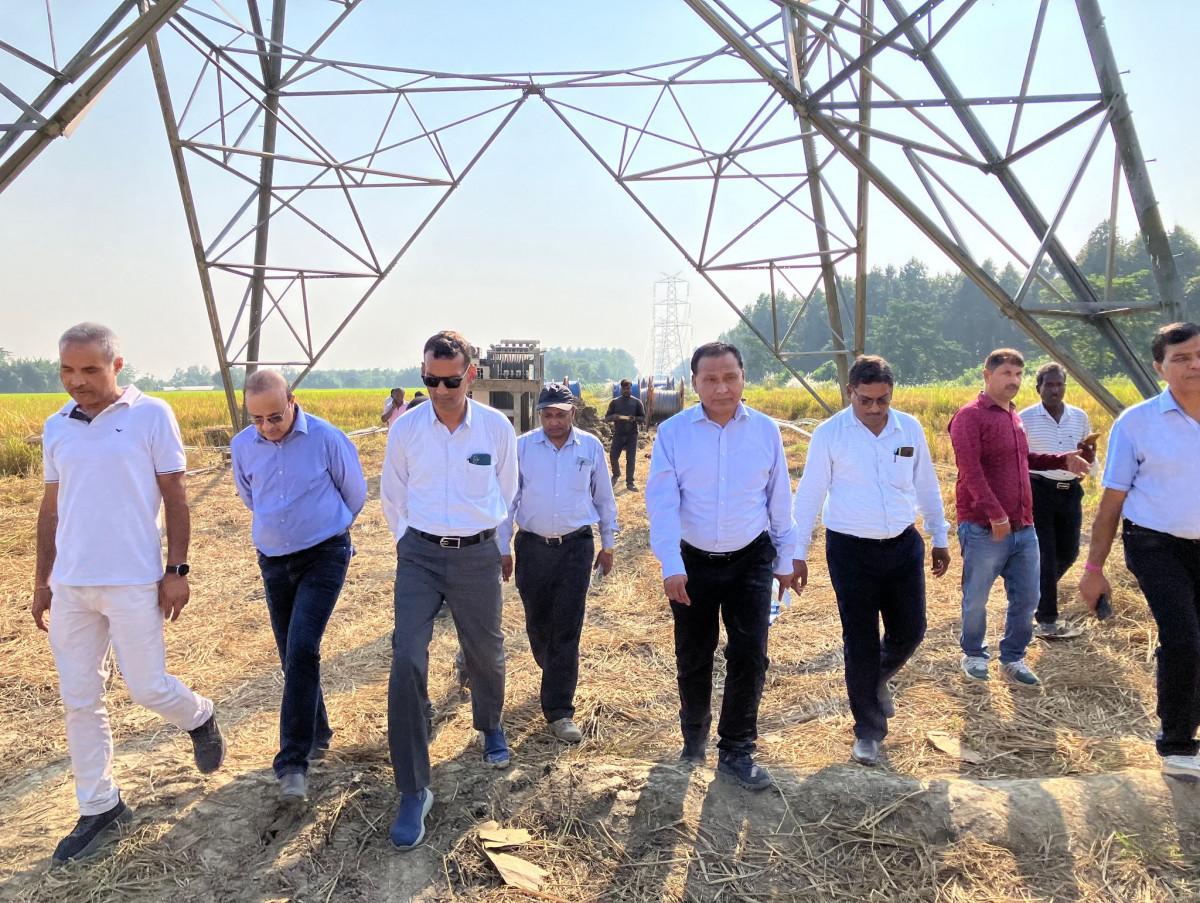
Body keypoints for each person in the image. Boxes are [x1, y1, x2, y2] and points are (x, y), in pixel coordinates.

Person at [33, 323, 225, 868]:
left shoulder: (151, 415)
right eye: (67, 371)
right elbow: (51, 510)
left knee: (147, 688)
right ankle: (101, 805)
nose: (77, 382)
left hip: (135, 580)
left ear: (118, 366)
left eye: (90, 369)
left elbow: (176, 494)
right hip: (72, 585)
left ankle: (200, 716)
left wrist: (177, 570)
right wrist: (42, 581)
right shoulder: (57, 427)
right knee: (79, 699)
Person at [380, 330, 517, 851]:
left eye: (450, 380)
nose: (439, 389)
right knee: (407, 659)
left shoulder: (495, 428)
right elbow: (392, 494)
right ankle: (414, 788)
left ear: (470, 375)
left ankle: (490, 723)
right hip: (418, 554)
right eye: (429, 380)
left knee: (486, 651)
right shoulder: (406, 430)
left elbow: (507, 489)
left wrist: (494, 541)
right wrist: (407, 544)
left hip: (478, 554)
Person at [645, 341, 796, 790]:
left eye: (730, 376)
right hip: (692, 563)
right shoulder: (673, 433)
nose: (721, 387)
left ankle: (737, 749)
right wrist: (671, 564)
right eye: (710, 379)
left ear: (743, 378)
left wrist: (786, 559)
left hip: (751, 557)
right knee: (694, 654)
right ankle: (693, 738)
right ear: (693, 383)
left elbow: (779, 501)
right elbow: (662, 505)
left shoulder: (766, 431)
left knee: (750, 656)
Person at [790, 355, 950, 766]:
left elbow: (926, 483)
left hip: (902, 545)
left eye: (883, 399)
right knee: (859, 641)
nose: (876, 408)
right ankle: (868, 730)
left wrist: (939, 535)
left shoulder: (908, 428)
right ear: (850, 393)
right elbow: (809, 495)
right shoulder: (830, 435)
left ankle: (873, 680)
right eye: (866, 400)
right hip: (850, 551)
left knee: (911, 630)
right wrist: (796, 552)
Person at [231, 370, 367, 802]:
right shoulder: (241, 448)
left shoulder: (327, 438)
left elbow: (355, 493)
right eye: (257, 420)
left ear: (292, 400)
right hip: (273, 560)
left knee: (304, 645)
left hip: (324, 554)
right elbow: (250, 496)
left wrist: (325, 531)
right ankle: (319, 729)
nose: (268, 427)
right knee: (291, 652)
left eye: (275, 416)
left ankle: (293, 762)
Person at [1080, 322, 1200, 780]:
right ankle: (1176, 742)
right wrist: (1093, 568)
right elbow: (1111, 503)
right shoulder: (1137, 423)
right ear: (1160, 368)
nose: (1194, 365)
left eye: (1199, 354)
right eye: (1182, 358)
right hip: (1155, 544)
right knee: (1184, 637)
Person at [949, 348, 1088, 687]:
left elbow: (1025, 459)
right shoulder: (970, 416)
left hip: (1024, 524)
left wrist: (1063, 459)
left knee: (1028, 597)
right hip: (985, 527)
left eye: (1017, 375)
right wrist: (996, 515)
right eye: (1005, 374)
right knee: (977, 597)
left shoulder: (1013, 416)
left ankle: (1013, 656)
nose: (1013, 381)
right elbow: (971, 472)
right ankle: (974, 655)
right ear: (987, 375)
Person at [497, 384, 618, 743]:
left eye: (560, 415)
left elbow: (604, 499)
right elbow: (508, 501)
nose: (554, 422)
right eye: (547, 415)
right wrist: (503, 547)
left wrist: (608, 544)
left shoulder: (591, 447)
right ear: (540, 415)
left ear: (572, 414)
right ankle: (554, 672)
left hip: (576, 547)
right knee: (538, 624)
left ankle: (560, 710)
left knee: (567, 626)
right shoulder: (522, 447)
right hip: (533, 548)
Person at [1018, 363, 1097, 637]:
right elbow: (1019, 458)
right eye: (1049, 385)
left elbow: (1087, 451)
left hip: (1070, 491)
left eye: (1059, 384)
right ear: (1038, 387)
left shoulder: (1079, 416)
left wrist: (1089, 463)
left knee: (1070, 552)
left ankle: (1033, 593)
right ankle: (1047, 619)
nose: (1055, 390)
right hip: (1039, 491)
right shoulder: (1024, 418)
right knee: (1047, 556)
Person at [604, 379, 646, 491]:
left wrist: (635, 419)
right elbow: (606, 418)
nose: (626, 390)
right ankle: (616, 474)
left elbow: (643, 419)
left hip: (632, 434)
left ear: (631, 389)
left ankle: (630, 482)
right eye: (624, 388)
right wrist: (614, 417)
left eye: (628, 388)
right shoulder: (615, 402)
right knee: (613, 456)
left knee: (630, 459)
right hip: (618, 434)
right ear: (621, 389)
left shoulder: (637, 403)